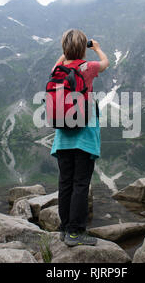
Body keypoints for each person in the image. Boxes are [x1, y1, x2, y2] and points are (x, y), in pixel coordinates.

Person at [50, 29, 109, 247]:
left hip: (62, 138)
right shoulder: (88, 67)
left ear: (64, 48)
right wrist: (97, 48)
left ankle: (65, 229)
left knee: (65, 183)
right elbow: (106, 62)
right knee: (81, 184)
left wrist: (67, 52)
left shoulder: (59, 69)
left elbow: (56, 65)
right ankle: (76, 233)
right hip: (84, 137)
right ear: (83, 47)